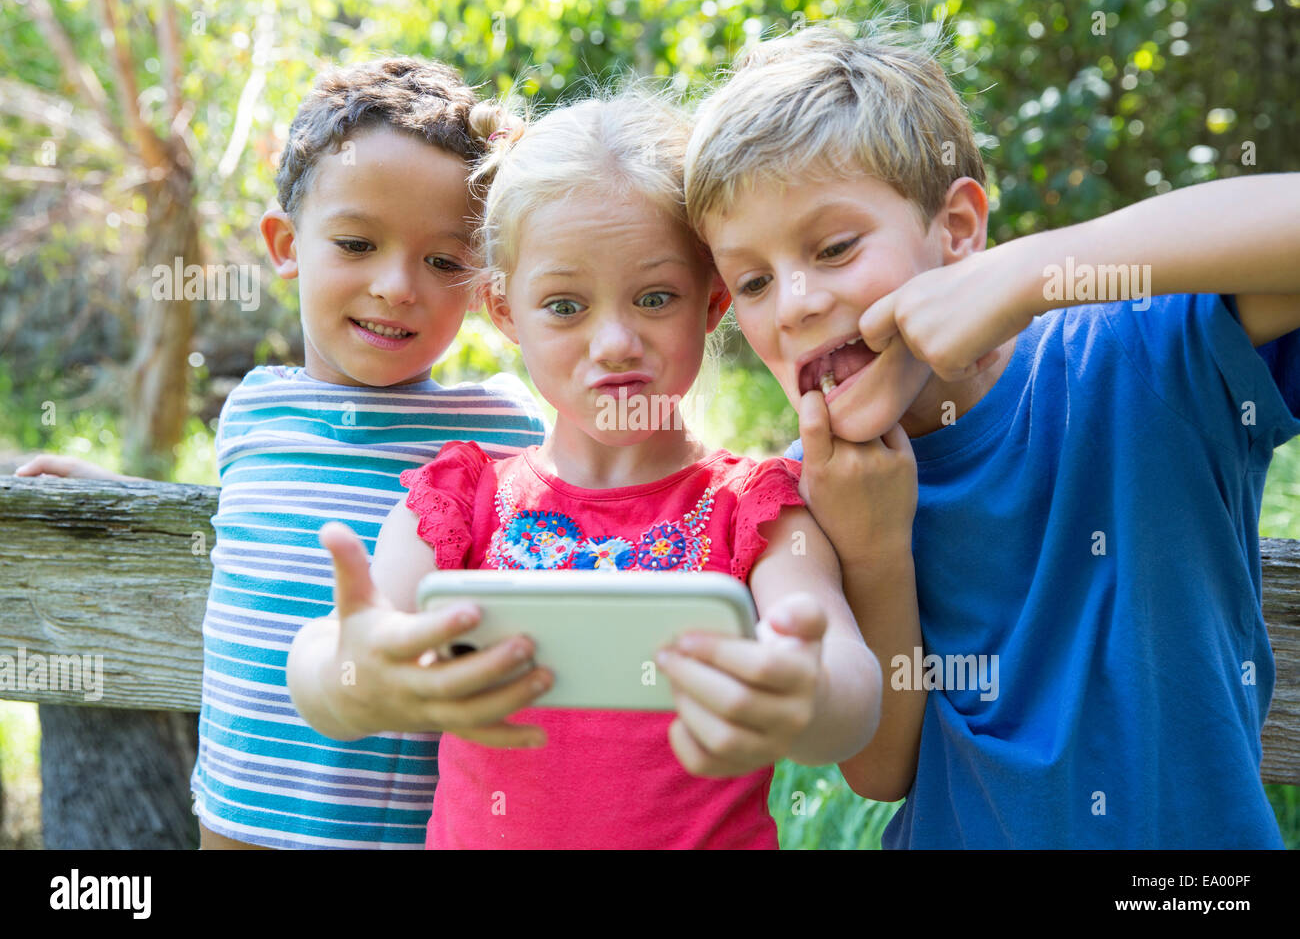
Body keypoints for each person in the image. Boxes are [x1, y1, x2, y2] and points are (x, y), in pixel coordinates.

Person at [683, 19, 1300, 848]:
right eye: (752, 281)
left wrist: (1031, 272)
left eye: (833, 248)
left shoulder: (1145, 359)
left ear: (961, 229)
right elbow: (880, 770)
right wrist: (875, 553)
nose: (793, 303)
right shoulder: (806, 494)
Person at [287, 89, 913, 848]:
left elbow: (849, 691)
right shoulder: (463, 499)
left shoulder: (754, 508)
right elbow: (328, 666)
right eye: (565, 306)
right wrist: (358, 672)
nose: (615, 341)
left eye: (655, 298)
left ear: (711, 303)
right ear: (504, 310)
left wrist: (802, 690)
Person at [21, 57, 547, 849]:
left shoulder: (500, 431)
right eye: (357, 243)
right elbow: (247, 530)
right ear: (285, 244)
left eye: (443, 261)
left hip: (403, 831)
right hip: (235, 819)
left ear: (479, 279)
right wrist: (122, 497)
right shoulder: (256, 410)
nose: (398, 285)